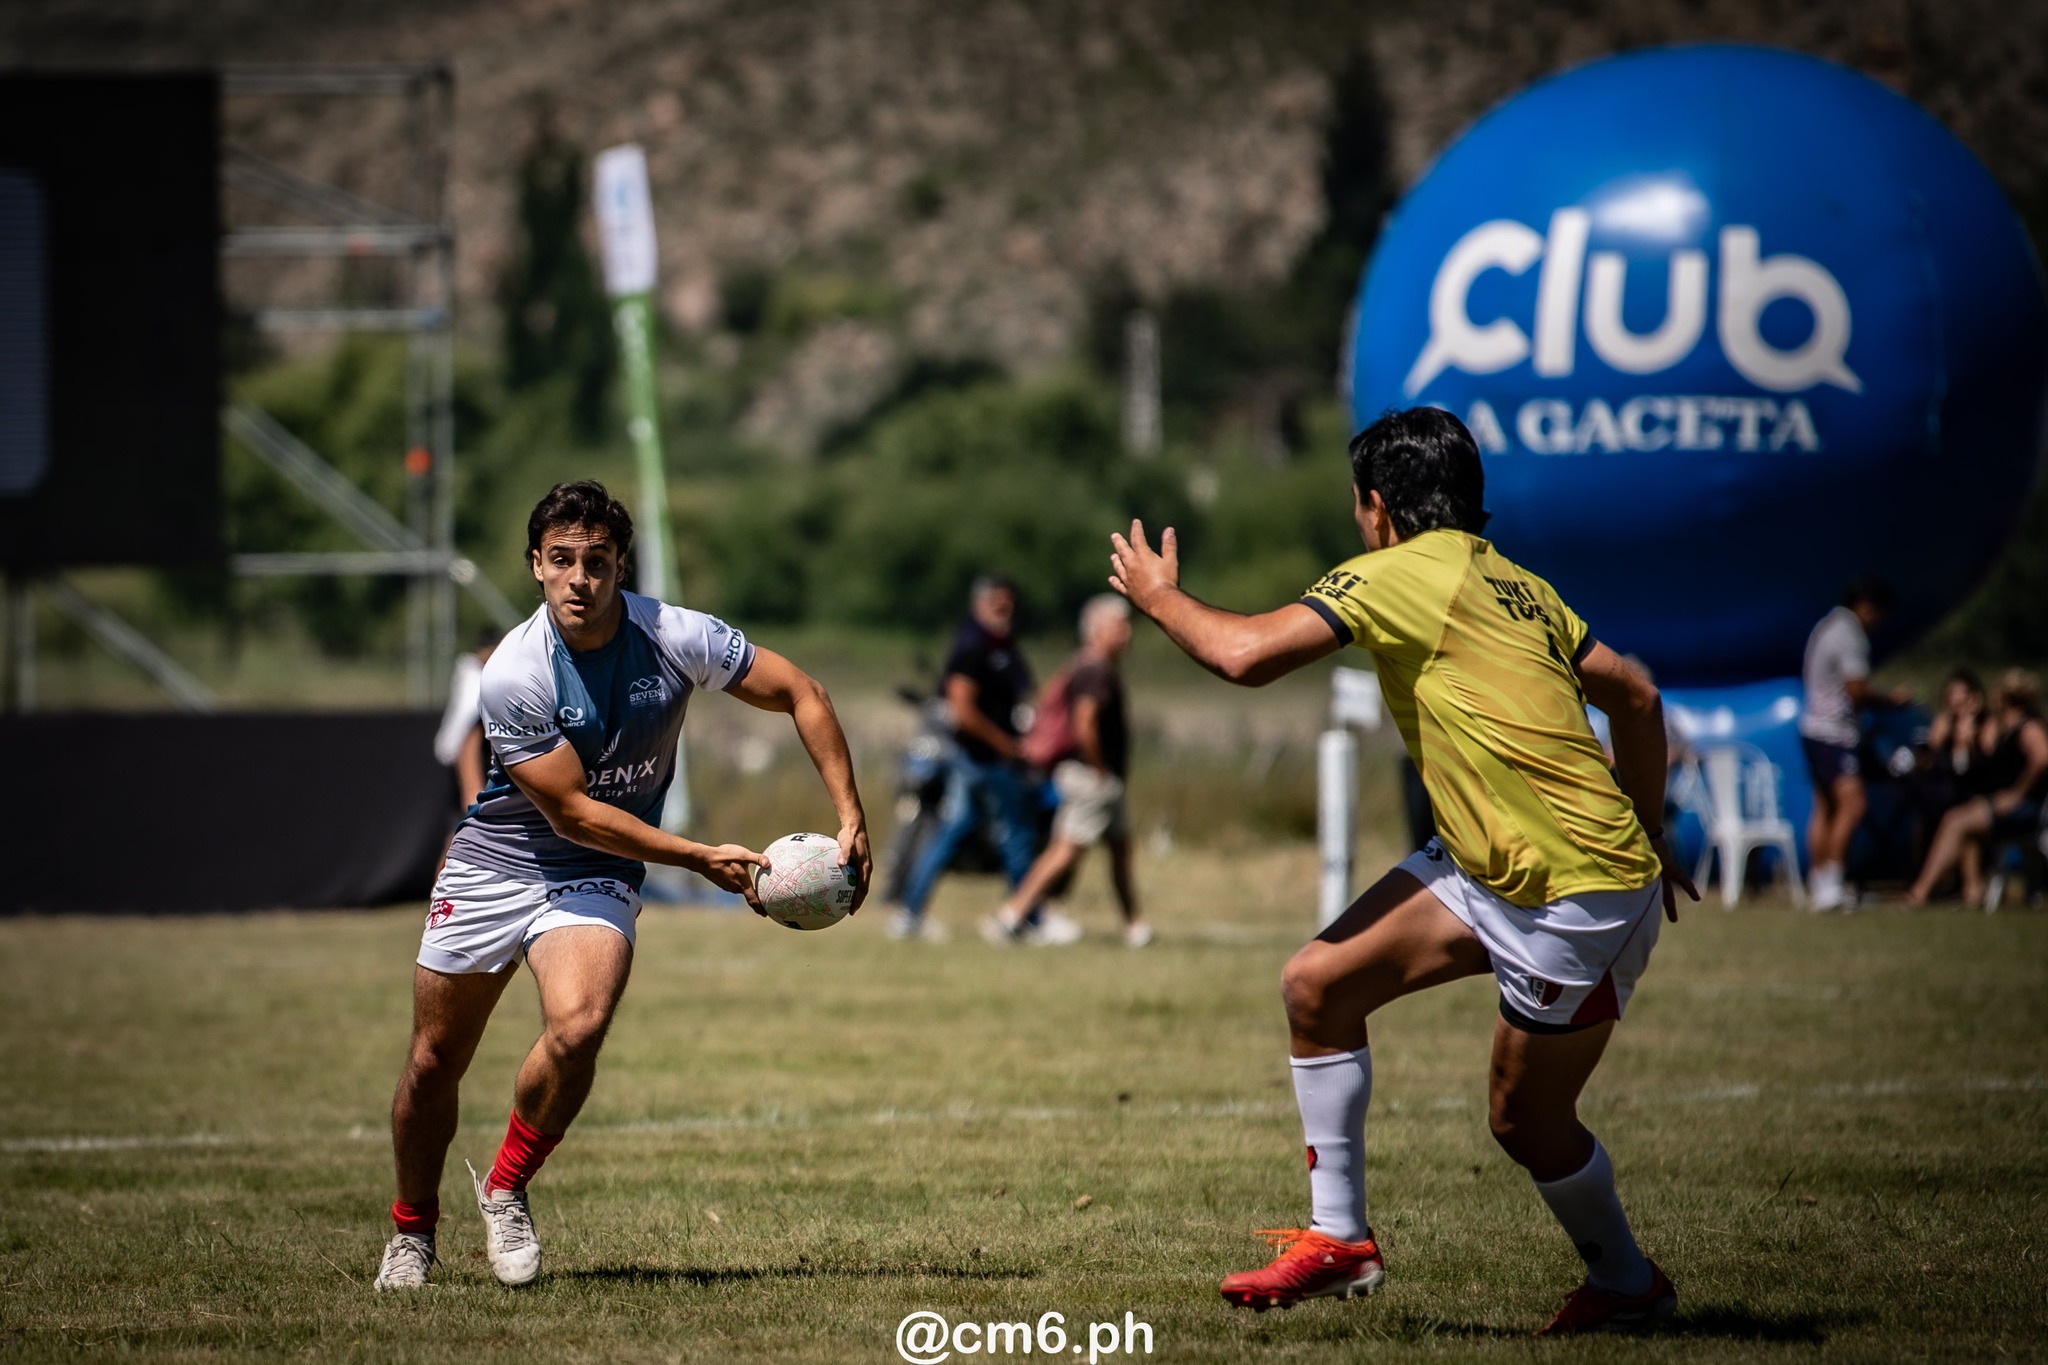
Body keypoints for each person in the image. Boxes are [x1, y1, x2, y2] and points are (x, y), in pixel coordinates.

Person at [1108, 407, 1697, 1335]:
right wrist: (1653, 826)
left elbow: (1242, 653)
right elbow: (1638, 693)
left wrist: (1156, 595)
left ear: (1377, 506)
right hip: (1496, 865)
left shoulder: (1390, 572)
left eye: (1358, 505)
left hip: (1573, 890)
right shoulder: (1519, 585)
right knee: (1318, 984)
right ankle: (1341, 1241)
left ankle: (1630, 1285)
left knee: (1522, 1121)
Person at [374, 481, 872, 1291]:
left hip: (593, 871)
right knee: (434, 1060)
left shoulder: (674, 634)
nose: (580, 578)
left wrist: (850, 813)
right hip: (498, 861)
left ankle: (505, 1188)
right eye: (562, 560)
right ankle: (411, 1229)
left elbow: (801, 693)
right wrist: (698, 856)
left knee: (579, 1026)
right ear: (536, 566)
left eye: (597, 562)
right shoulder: (513, 671)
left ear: (619, 567)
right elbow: (572, 811)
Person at [886, 575, 1065, 943]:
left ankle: (910, 913)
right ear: (980, 604)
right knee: (1017, 833)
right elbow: (962, 710)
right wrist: (1006, 746)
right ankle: (1026, 918)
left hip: (979, 759)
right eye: (999, 602)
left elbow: (1027, 694)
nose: (1006, 609)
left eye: (1011, 603)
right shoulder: (973, 647)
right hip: (983, 758)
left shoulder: (1005, 645)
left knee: (950, 832)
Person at [984, 594, 1149, 947]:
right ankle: (1012, 915)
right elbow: (1083, 724)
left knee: (1119, 850)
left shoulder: (1084, 665)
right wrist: (1101, 768)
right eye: (1119, 626)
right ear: (1097, 630)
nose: (1127, 633)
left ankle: (1134, 925)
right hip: (1091, 775)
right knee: (1065, 850)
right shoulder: (1096, 670)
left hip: (1096, 775)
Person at [1796, 577, 1903, 911]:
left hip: (1812, 727)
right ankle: (1832, 885)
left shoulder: (1826, 625)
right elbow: (1856, 690)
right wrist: (1893, 700)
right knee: (1853, 805)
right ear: (1868, 607)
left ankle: (1820, 884)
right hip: (1834, 732)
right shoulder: (1850, 633)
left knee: (1825, 806)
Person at [1907, 669, 2048, 906]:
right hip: (2004, 802)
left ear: (2005, 697)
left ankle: (1919, 893)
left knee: (1955, 820)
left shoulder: (2027, 727)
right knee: (1965, 821)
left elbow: (2042, 758)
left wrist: (2018, 794)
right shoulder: (2005, 727)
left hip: (2027, 809)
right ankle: (1972, 891)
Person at [433, 629, 501, 820]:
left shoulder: (471, 676)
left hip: (466, 764)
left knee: (457, 831)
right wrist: (473, 793)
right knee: (465, 829)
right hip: (470, 769)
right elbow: (468, 733)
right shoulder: (476, 683)